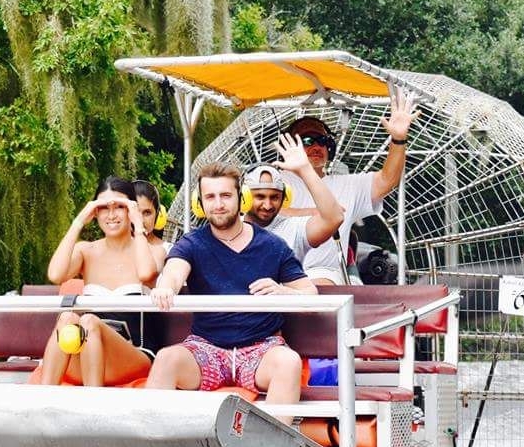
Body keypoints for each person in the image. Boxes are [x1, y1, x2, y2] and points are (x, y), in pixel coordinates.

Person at [145, 162, 316, 404]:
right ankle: (159, 442)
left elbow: (309, 292)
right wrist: (165, 288)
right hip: (207, 348)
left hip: (261, 347)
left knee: (288, 363)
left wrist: (283, 291)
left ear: (241, 198)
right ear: (200, 204)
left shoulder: (272, 245)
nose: (218, 204)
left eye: (225, 195)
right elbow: (174, 272)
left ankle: (267, 442)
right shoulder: (192, 243)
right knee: (166, 359)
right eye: (210, 197)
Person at [276, 86, 420, 284]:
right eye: (307, 140)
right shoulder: (272, 180)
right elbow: (255, 213)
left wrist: (398, 138)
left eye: (322, 140)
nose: (316, 146)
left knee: (316, 285)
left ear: (330, 147)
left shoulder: (347, 185)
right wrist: (315, 214)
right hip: (273, 269)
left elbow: (388, 180)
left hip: (323, 273)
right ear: (290, 145)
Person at [33, 178, 159, 388]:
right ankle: (42, 403)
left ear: (131, 209)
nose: (111, 215)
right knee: (67, 319)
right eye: (102, 208)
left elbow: (146, 273)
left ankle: (93, 409)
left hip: (134, 353)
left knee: (89, 322)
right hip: (87, 352)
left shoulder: (152, 250)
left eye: (120, 206)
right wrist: (79, 221)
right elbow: (56, 274)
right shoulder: (86, 251)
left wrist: (138, 224)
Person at [245, 133, 344, 260]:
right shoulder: (227, 230)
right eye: (260, 197)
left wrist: (305, 170)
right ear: (244, 196)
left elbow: (334, 218)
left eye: (275, 197)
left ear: (285, 199)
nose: (268, 205)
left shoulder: (294, 229)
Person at [130, 179, 170, 273]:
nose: (141, 220)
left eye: (147, 213)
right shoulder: (110, 250)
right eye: (135, 212)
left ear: (158, 214)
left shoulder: (170, 252)